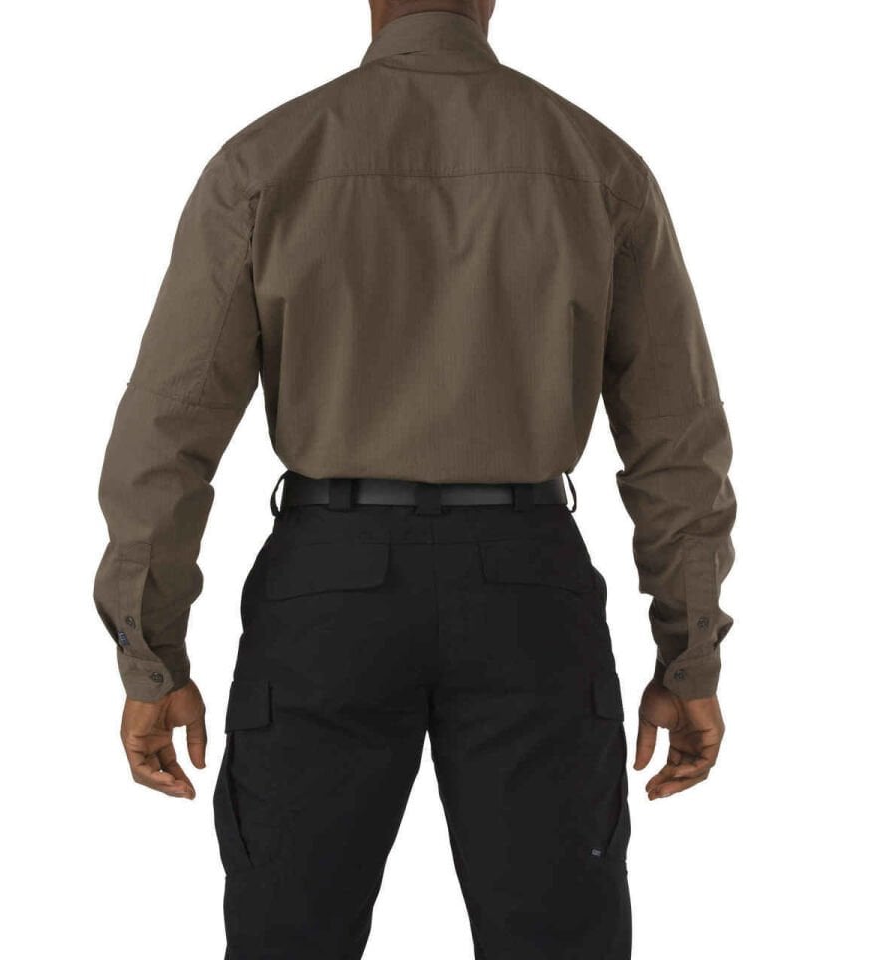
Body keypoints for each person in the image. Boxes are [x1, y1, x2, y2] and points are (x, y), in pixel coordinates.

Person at [94, 1, 736, 956]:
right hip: (529, 589)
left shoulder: (265, 163)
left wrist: (152, 660)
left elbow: (166, 432)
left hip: (327, 591)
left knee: (288, 938)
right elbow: (678, 439)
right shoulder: (599, 167)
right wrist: (689, 659)